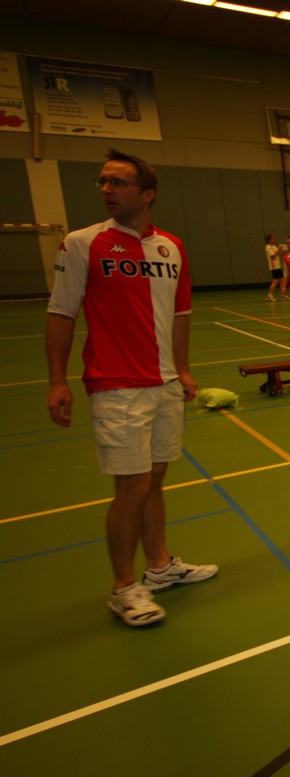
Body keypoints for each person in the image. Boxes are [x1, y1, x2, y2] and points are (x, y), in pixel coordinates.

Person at [46, 149, 218, 627]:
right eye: (103, 181)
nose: (107, 189)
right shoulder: (82, 244)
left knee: (155, 477)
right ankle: (123, 587)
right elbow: (61, 313)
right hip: (116, 384)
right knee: (133, 485)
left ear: (147, 195)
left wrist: (182, 369)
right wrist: (57, 381)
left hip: (164, 381)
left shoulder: (171, 247)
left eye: (118, 182)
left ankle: (159, 567)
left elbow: (180, 314)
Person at [264, 233, 286, 301]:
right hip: (274, 266)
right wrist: (278, 251)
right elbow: (272, 256)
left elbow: (279, 253)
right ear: (269, 240)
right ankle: (270, 295)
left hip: (278, 266)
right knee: (276, 281)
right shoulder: (268, 247)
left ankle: (283, 295)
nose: (274, 240)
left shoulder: (274, 246)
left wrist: (280, 250)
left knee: (282, 280)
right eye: (273, 239)